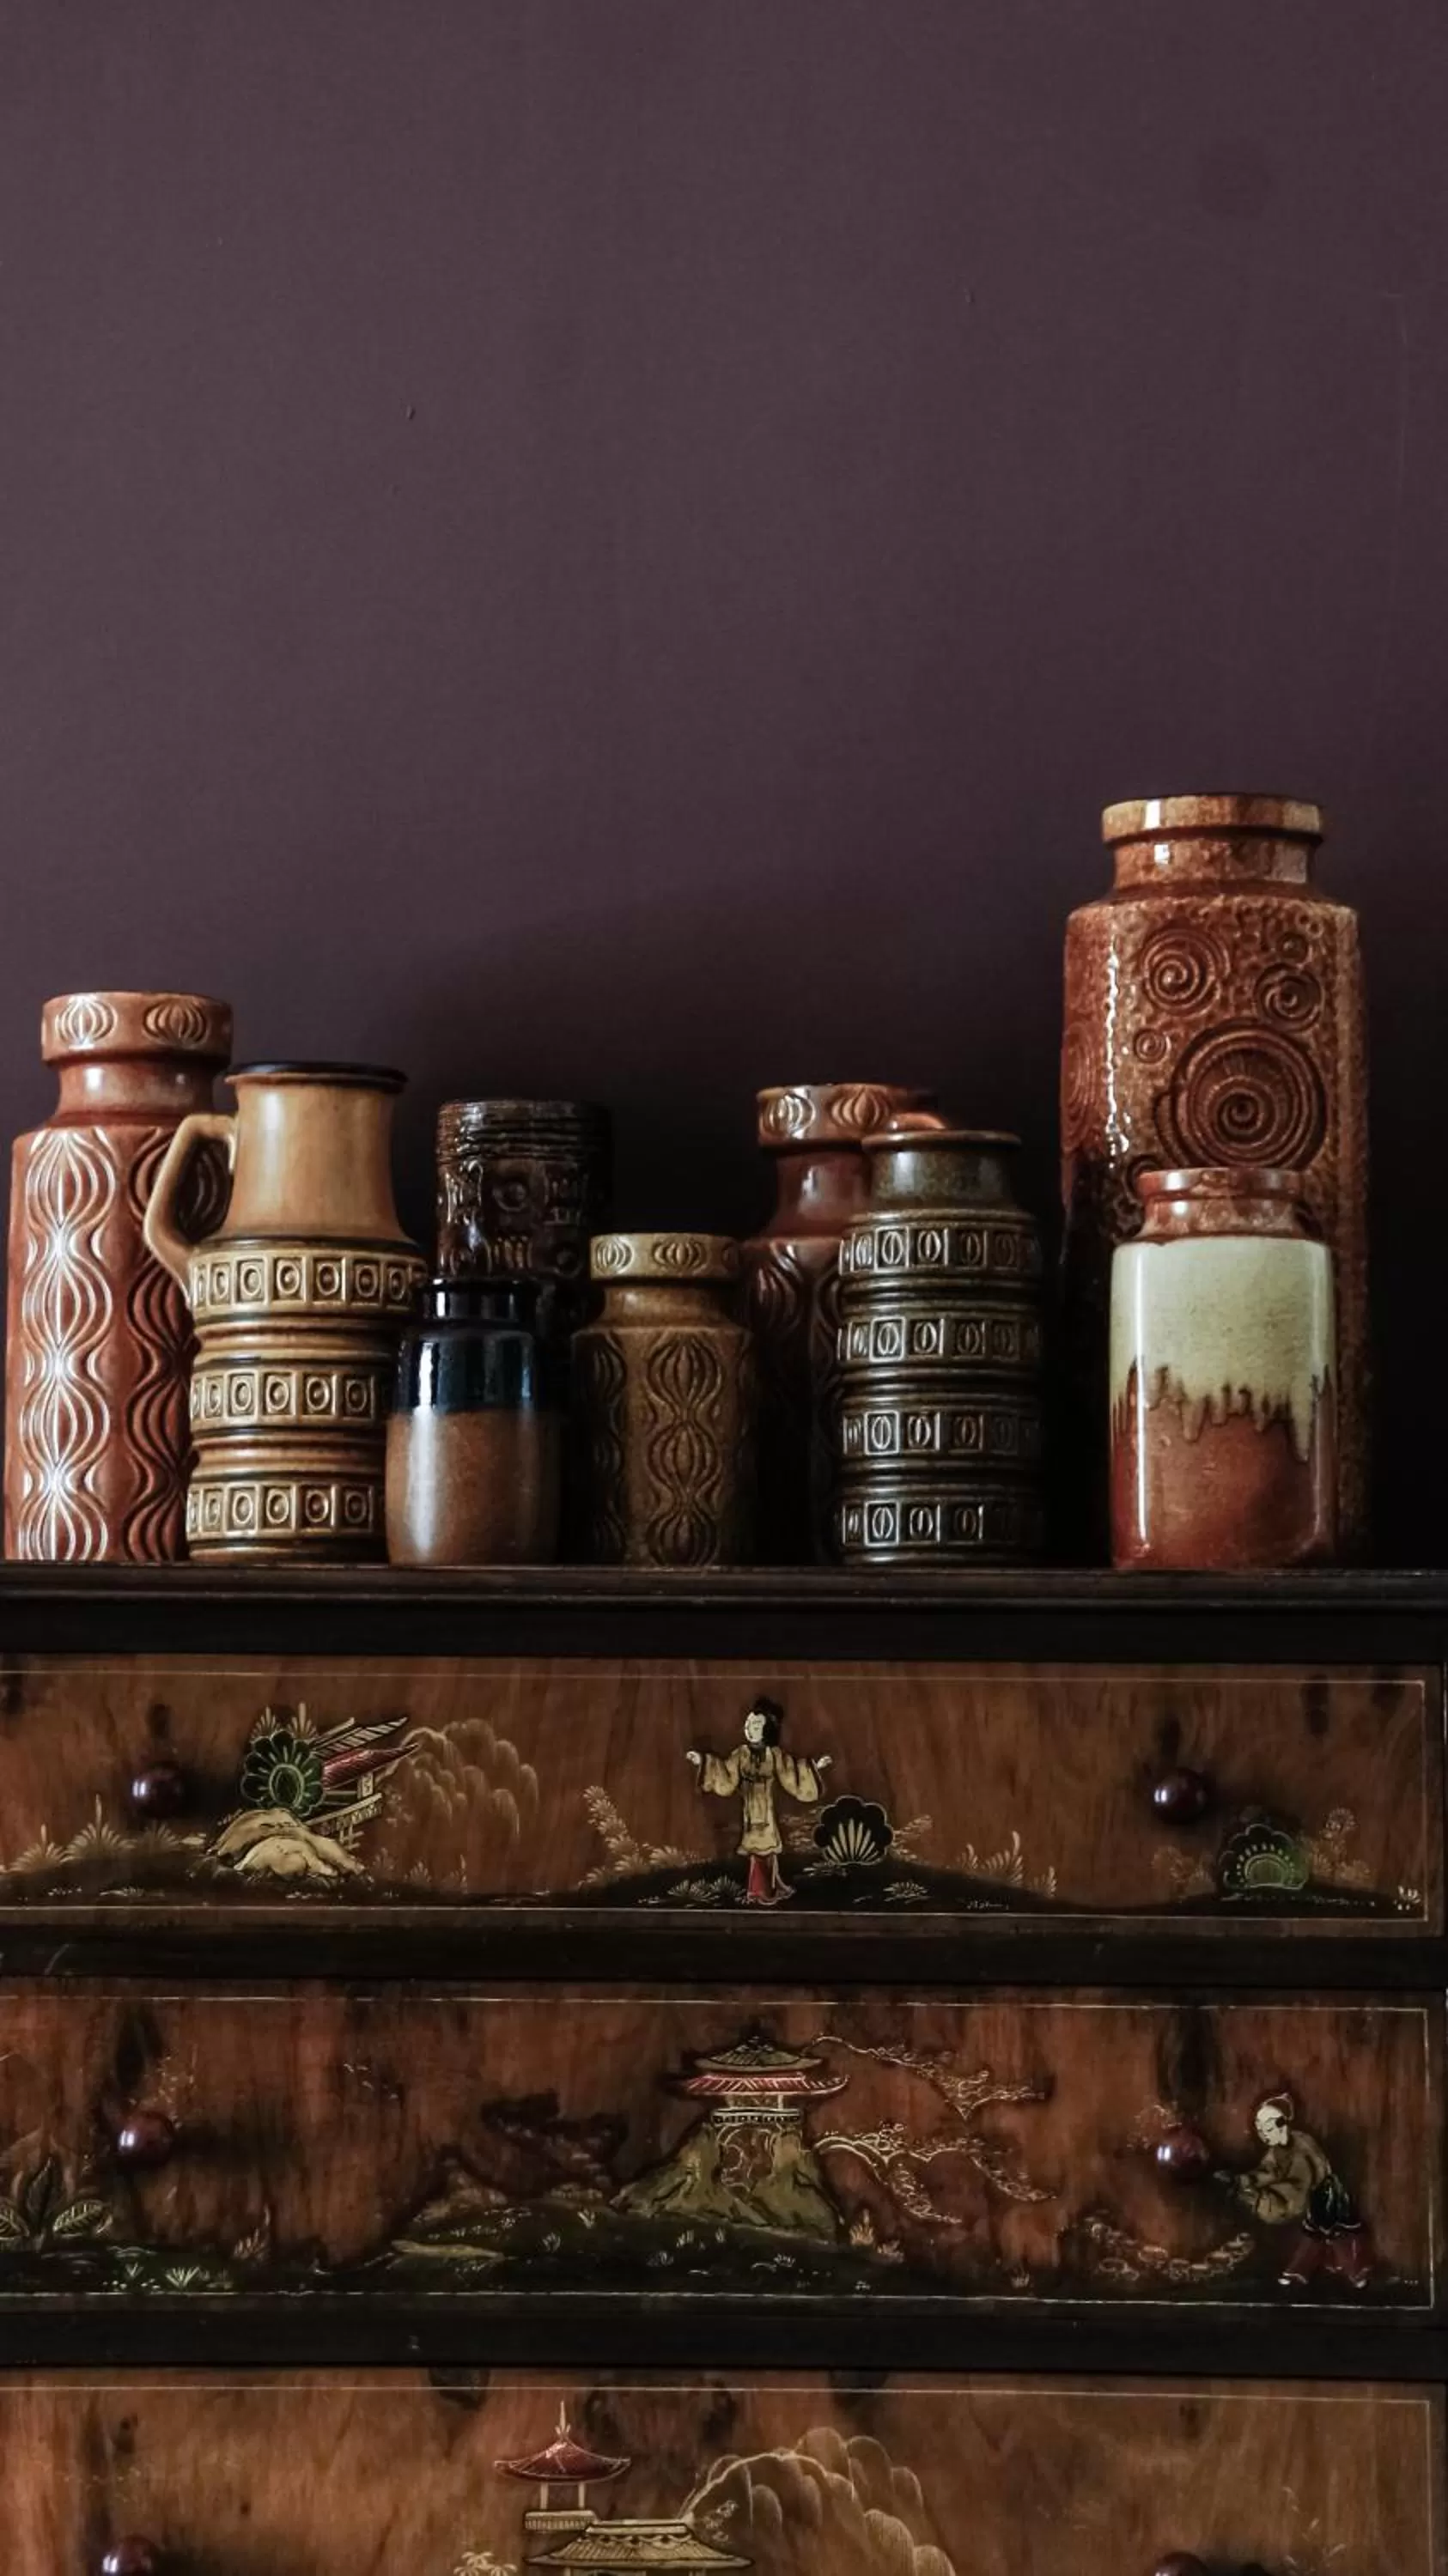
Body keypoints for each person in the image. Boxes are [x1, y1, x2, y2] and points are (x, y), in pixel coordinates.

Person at [1218, 2090, 1372, 2289]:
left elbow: (1297, 2185)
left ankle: (1356, 2274)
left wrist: (1256, 2193)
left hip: (1329, 2195)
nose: (1262, 2133)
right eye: (1259, 2128)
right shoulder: (1277, 2151)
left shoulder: (1302, 2146)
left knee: (1337, 2235)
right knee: (1316, 2235)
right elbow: (1268, 2171)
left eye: (1267, 2127)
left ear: (1282, 2124)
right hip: (1316, 2196)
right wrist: (1240, 2181)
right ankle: (1300, 2273)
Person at [686, 1696, 831, 1905]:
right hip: (750, 1810)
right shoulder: (740, 1754)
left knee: (767, 1850)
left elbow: (791, 1776)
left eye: (755, 1725)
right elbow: (726, 1776)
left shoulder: (775, 1755)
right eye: (748, 1724)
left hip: (767, 1810)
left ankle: (766, 1890)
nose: (749, 1729)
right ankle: (760, 1891)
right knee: (757, 1851)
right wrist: (703, 1761)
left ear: (768, 1730)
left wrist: (814, 1767)